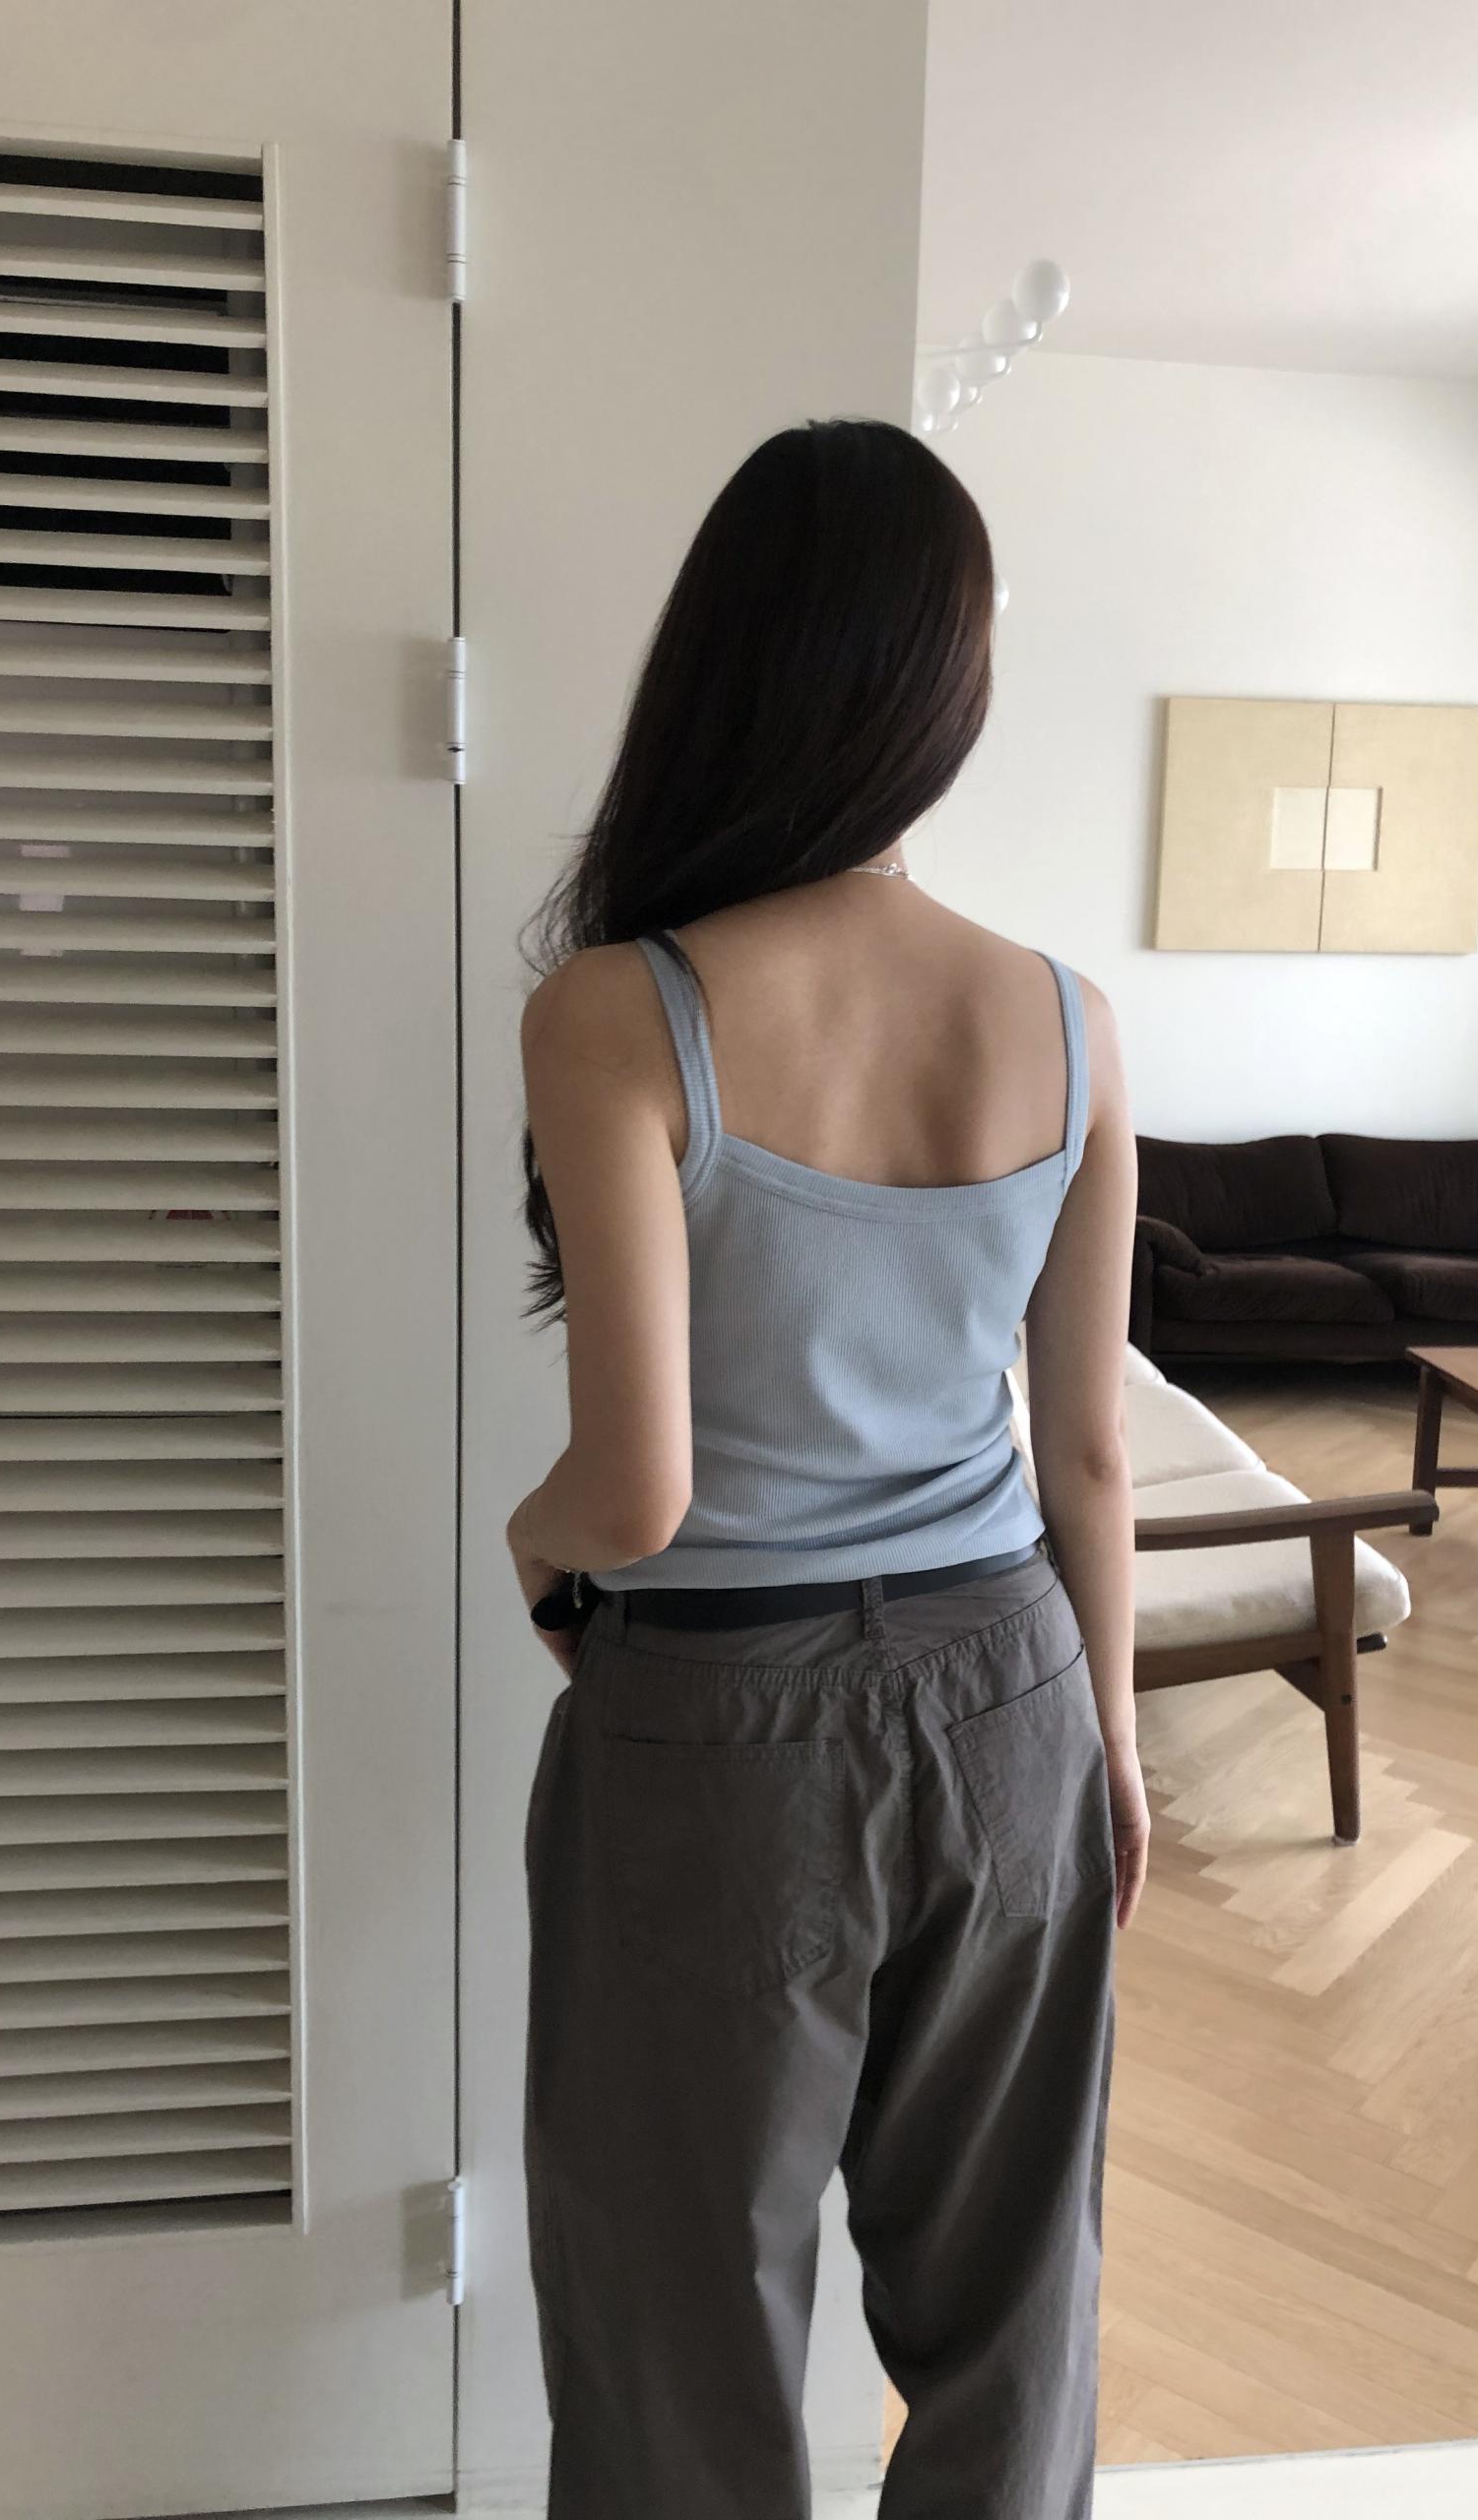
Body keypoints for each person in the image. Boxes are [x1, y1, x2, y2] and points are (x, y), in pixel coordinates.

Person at [510, 416, 1146, 2520]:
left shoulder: (621, 1011)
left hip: (723, 1726)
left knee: (676, 2315)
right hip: (1017, 1694)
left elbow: (632, 1494)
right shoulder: (1073, 1019)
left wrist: (528, 1548)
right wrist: (1111, 1738)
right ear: (944, 685)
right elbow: (1086, 1451)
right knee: (1015, 2304)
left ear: (726, 661)